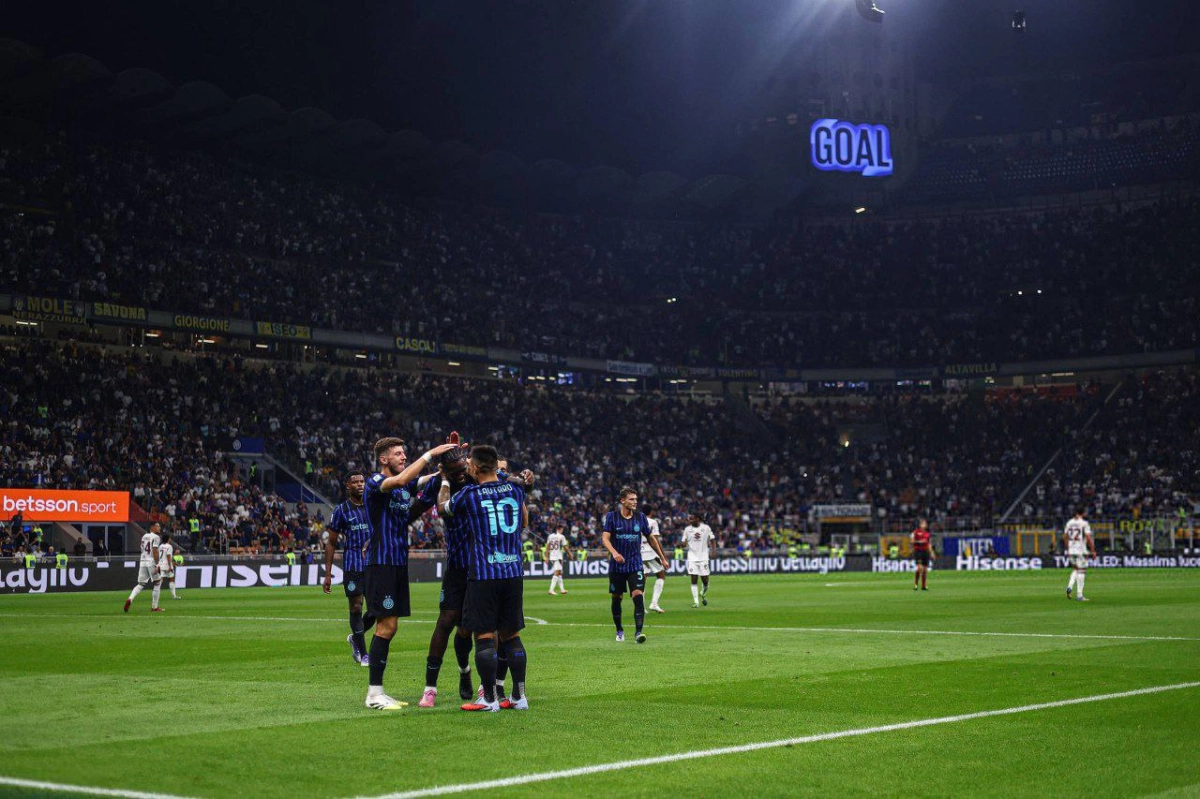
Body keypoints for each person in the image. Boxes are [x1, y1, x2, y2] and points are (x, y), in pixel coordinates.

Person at [362, 436, 459, 711]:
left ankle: (378, 691)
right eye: (398, 453)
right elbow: (404, 479)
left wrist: (450, 461)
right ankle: (373, 694)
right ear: (384, 459)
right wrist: (431, 453)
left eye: (404, 453)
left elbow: (427, 480)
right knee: (386, 626)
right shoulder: (375, 482)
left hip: (396, 563)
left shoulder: (403, 488)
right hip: (381, 563)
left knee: (391, 627)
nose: (403, 456)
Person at [438, 444, 531, 712]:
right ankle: (519, 696)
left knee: (484, 636)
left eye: (469, 463)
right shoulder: (515, 490)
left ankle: (489, 699)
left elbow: (443, 508)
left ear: (476, 468)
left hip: (484, 574)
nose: (466, 466)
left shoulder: (469, 494)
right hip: (513, 572)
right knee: (512, 635)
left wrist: (444, 479)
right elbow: (520, 494)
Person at [414, 438, 480, 708]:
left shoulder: (476, 478)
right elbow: (415, 509)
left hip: (480, 566)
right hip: (457, 565)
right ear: (444, 470)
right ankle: (430, 688)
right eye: (454, 471)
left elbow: (497, 468)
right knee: (445, 622)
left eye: (463, 467)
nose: (461, 473)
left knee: (467, 630)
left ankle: (466, 672)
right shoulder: (437, 484)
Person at [323, 471, 373, 666]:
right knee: (356, 606)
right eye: (355, 482)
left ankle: (355, 638)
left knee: (376, 610)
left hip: (374, 563)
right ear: (347, 486)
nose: (360, 485)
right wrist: (328, 574)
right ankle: (364, 654)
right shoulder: (341, 510)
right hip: (353, 564)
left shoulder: (372, 505)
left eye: (362, 481)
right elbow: (331, 543)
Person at [602, 487, 661, 643]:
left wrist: (662, 557)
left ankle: (638, 633)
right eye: (631, 499)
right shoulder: (612, 517)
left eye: (636, 499)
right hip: (617, 566)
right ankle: (619, 630)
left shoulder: (640, 518)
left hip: (635, 564)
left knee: (638, 595)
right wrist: (614, 553)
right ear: (623, 500)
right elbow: (605, 538)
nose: (635, 502)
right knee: (617, 598)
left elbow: (651, 538)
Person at [124, 522, 165, 613]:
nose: (159, 528)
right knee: (158, 582)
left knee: (141, 584)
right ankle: (154, 607)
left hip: (143, 561)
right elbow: (155, 551)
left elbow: (143, 549)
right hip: (151, 562)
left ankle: (130, 599)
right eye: (157, 526)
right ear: (152, 527)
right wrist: (158, 564)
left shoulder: (144, 536)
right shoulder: (156, 537)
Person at [682, 513, 716, 608]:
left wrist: (714, 551)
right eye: (690, 519)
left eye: (692, 518)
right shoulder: (687, 529)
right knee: (694, 579)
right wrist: (683, 544)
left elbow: (713, 540)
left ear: (698, 519)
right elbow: (683, 542)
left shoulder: (706, 528)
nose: (690, 520)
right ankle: (696, 602)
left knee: (705, 580)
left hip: (703, 558)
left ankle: (703, 593)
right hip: (692, 558)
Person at [1064, 508, 1097, 601]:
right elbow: (1088, 537)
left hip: (1071, 550)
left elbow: (1065, 536)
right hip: (1080, 550)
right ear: (1083, 513)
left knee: (1076, 569)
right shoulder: (1084, 523)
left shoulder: (1069, 522)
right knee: (1082, 571)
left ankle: (1070, 586)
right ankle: (1079, 595)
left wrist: (1068, 548)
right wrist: (1093, 550)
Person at [640, 505, 667, 613]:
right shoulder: (652, 522)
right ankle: (654, 604)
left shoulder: (636, 520)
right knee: (661, 576)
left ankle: (641, 607)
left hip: (639, 553)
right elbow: (655, 540)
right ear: (651, 512)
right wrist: (663, 557)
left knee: (641, 580)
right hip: (650, 553)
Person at [543, 524, 573, 596]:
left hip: (552, 556)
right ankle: (551, 590)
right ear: (560, 529)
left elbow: (547, 548)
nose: (562, 531)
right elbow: (565, 547)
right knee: (557, 572)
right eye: (562, 529)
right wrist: (570, 554)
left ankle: (562, 589)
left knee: (559, 573)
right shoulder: (561, 537)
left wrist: (546, 557)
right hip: (557, 556)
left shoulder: (550, 536)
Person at [911, 518, 934, 591]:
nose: (925, 525)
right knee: (919, 568)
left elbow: (929, 544)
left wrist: (932, 552)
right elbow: (912, 541)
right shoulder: (915, 532)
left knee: (925, 570)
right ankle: (916, 584)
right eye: (923, 523)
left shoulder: (927, 534)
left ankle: (924, 586)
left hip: (925, 552)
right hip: (918, 551)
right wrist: (919, 541)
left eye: (925, 523)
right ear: (920, 525)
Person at [158, 532, 181, 600]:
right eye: (170, 538)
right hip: (167, 565)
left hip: (160, 564)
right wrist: (170, 566)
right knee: (171, 579)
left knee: (159, 581)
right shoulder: (169, 546)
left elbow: (162, 555)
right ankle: (174, 596)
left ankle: (156, 596)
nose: (170, 539)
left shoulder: (160, 546)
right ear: (168, 539)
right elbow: (168, 556)